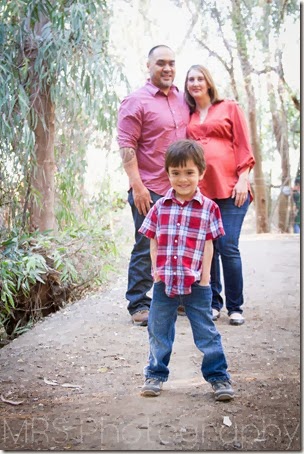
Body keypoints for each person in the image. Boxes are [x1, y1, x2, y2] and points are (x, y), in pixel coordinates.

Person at [138, 139, 234, 401]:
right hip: (164, 283)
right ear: (167, 173)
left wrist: (205, 280)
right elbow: (153, 241)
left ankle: (218, 377)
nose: (182, 179)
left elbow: (209, 247)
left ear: (201, 173)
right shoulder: (160, 207)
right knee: (158, 330)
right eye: (176, 173)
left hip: (196, 285)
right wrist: (156, 274)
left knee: (206, 332)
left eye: (189, 172)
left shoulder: (209, 208)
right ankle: (155, 374)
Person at [117, 45, 190, 326]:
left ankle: (178, 298)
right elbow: (127, 146)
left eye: (172, 63)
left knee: (180, 244)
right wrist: (137, 186)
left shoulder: (183, 100)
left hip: (180, 187)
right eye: (161, 63)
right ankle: (138, 303)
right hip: (149, 187)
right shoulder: (136, 101)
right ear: (148, 65)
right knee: (147, 245)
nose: (167, 68)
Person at [184, 65, 255, 326]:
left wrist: (243, 178)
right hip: (203, 191)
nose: (195, 83)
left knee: (227, 245)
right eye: (190, 79)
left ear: (209, 82)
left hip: (232, 188)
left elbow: (243, 144)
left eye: (200, 78)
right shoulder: (188, 114)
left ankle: (235, 307)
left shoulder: (228, 107)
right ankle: (213, 303)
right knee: (207, 246)